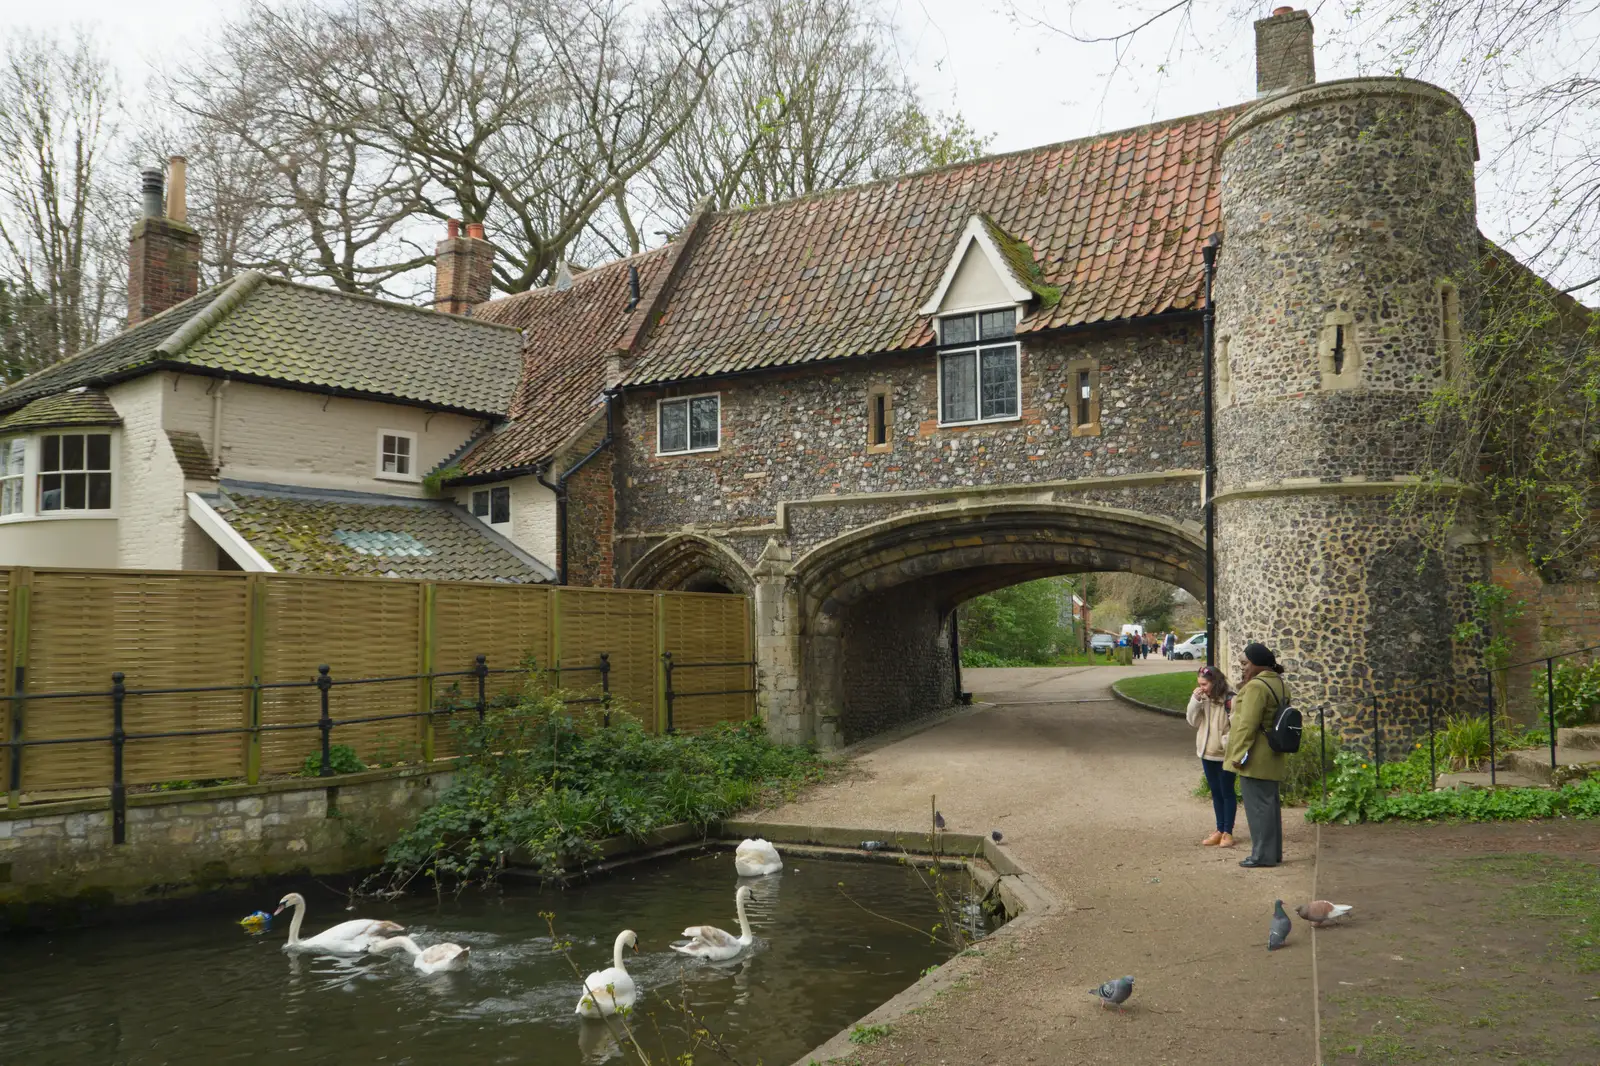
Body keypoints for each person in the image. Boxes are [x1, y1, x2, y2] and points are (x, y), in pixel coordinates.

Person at [1224, 642, 1289, 868]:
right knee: (1269, 808)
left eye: (1245, 663)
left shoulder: (1256, 687)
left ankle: (1262, 856)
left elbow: (1247, 724)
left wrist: (1238, 753)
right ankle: (1273, 853)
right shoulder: (1279, 683)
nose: (1243, 668)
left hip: (1256, 755)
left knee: (1258, 809)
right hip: (1272, 753)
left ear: (1257, 664)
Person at [1187, 664, 1235, 847]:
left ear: (1215, 682)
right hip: (1206, 753)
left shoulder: (1231, 699)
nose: (1201, 688)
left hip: (1224, 754)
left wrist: (1225, 742)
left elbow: (1237, 727)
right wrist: (1195, 700)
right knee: (1216, 793)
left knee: (1227, 792)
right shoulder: (1202, 699)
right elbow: (1192, 721)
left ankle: (1228, 832)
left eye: (1205, 684)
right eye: (1199, 684)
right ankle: (1219, 829)